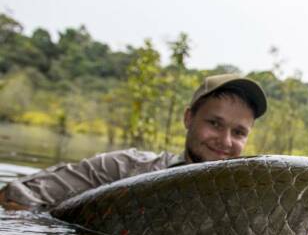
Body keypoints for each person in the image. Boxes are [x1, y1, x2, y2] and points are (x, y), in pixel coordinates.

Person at [0, 74, 267, 210]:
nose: (225, 141)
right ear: (189, 118)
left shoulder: (247, 203)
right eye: (214, 123)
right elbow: (17, 194)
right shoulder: (123, 168)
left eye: (239, 133)